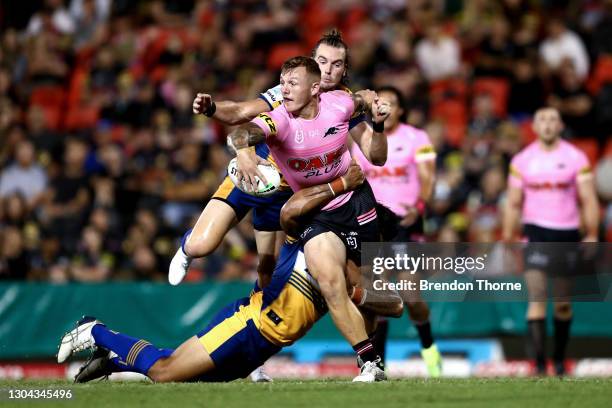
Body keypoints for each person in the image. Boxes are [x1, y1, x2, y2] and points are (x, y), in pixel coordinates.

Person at [57, 166, 403, 384]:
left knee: (179, 375)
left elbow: (395, 305)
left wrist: (354, 294)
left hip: (264, 346)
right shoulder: (316, 239)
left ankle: (112, 363)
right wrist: (338, 184)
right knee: (166, 371)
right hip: (248, 325)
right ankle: (96, 330)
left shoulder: (349, 266)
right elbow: (290, 214)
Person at [169, 30, 382, 291]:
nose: (327, 70)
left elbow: (373, 151)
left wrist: (376, 119)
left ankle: (259, 321)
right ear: (312, 61)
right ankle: (187, 247)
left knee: (268, 273)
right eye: (322, 61)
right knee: (202, 246)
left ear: (344, 69)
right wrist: (214, 111)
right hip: (254, 175)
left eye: (336, 64)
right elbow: (240, 113)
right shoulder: (288, 92)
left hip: (288, 196)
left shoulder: (344, 103)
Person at [228, 55, 390, 381]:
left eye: (293, 83)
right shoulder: (279, 120)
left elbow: (365, 97)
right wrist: (244, 152)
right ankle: (369, 361)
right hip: (315, 213)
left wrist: (377, 110)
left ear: (315, 88)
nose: (284, 89)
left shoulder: (340, 104)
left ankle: (369, 333)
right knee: (331, 283)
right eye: (283, 82)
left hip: (355, 202)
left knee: (382, 300)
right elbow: (244, 132)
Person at [351, 86, 442, 376]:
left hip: (404, 222)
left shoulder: (417, 138)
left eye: (389, 103)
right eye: (378, 102)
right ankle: (378, 364)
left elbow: (428, 179)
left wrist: (419, 205)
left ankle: (429, 348)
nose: (383, 107)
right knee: (377, 294)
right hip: (369, 221)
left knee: (411, 294)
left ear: (400, 110)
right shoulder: (360, 137)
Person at [502, 107, 599, 375]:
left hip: (567, 233)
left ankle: (558, 360)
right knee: (537, 296)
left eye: (552, 119)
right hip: (536, 232)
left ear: (560, 125)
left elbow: (588, 198)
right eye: (542, 119)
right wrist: (509, 235)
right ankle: (540, 366)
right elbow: (512, 202)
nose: (547, 124)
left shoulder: (575, 157)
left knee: (563, 302)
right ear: (533, 126)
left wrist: (592, 233)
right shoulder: (522, 160)